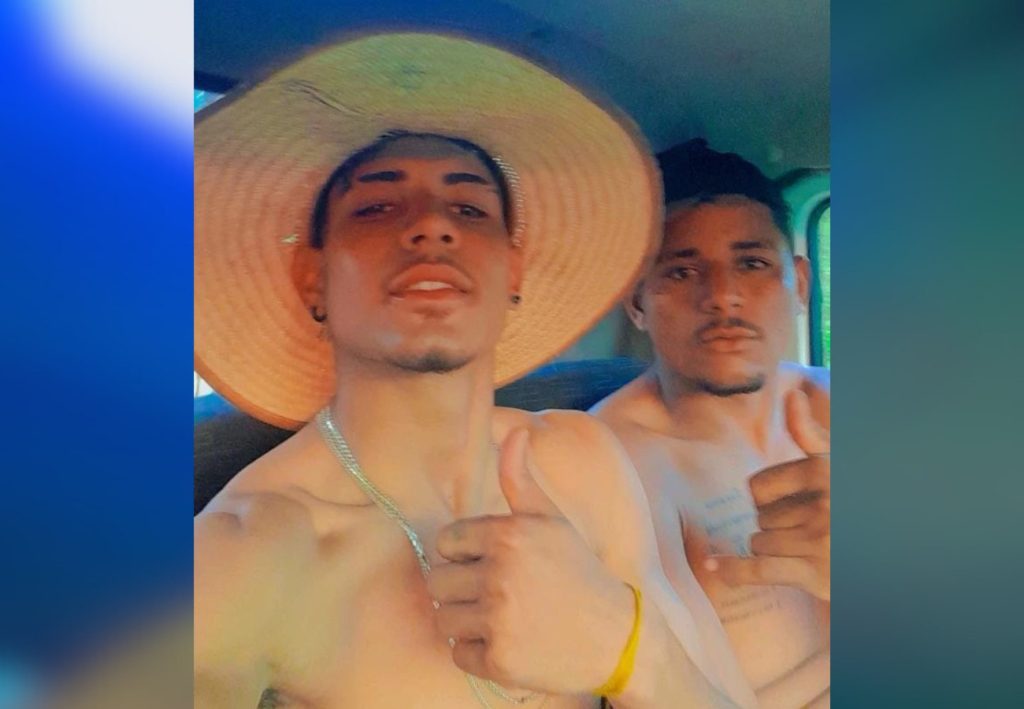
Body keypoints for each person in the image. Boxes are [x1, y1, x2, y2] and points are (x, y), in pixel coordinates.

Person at [194, 34, 755, 708]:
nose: (432, 226)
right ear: (313, 277)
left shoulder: (581, 459)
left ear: (512, 271)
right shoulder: (244, 552)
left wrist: (629, 651)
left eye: (469, 209)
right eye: (376, 207)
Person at [592, 139, 830, 708]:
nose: (723, 296)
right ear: (636, 302)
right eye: (681, 271)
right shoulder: (608, 464)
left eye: (752, 264)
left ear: (800, 284)